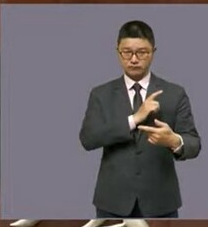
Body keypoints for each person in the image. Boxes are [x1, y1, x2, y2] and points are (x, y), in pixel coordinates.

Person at [79, 20, 201, 219]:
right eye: (127, 52)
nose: (134, 59)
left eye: (142, 52)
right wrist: (134, 119)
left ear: (153, 52)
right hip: (112, 202)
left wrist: (174, 141)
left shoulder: (174, 93)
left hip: (161, 203)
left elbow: (194, 143)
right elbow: (88, 139)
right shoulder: (100, 94)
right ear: (118, 52)